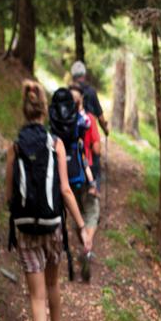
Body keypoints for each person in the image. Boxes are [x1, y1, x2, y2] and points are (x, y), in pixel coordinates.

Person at [6, 80, 88, 321]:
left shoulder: (14, 147)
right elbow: (65, 189)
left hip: (25, 228)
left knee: (36, 296)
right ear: (45, 111)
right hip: (53, 227)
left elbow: (8, 197)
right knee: (53, 285)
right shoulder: (56, 144)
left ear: (24, 109)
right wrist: (80, 227)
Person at [70, 84, 101, 281]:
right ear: (81, 100)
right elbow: (97, 149)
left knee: (77, 214)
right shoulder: (88, 120)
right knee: (92, 212)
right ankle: (87, 245)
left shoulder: (63, 120)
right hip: (86, 171)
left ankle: (82, 241)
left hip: (69, 176)